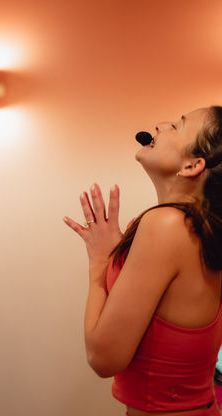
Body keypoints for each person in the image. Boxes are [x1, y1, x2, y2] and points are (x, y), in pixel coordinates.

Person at [64, 106, 222, 416]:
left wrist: (99, 265)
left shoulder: (166, 225)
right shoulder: (198, 228)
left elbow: (103, 358)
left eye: (178, 126)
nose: (160, 125)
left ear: (193, 165)